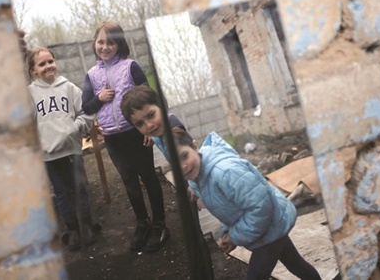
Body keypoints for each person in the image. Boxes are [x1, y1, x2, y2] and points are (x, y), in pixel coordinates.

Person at [172, 127, 322, 280]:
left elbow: (261, 207)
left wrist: (234, 236)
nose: (183, 166)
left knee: (256, 276)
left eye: (184, 156)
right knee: (295, 263)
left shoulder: (226, 172)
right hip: (268, 226)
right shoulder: (199, 178)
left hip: (270, 225)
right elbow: (228, 208)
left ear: (194, 146)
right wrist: (227, 231)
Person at [82, 21, 169, 253]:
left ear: (119, 44)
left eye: (111, 42)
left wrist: (150, 129)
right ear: (94, 44)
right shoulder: (91, 76)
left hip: (136, 134)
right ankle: (142, 222)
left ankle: (159, 223)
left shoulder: (131, 67)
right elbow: (87, 107)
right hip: (113, 138)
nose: (105, 46)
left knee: (149, 178)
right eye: (101, 41)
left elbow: (149, 97)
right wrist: (99, 97)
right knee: (129, 182)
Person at [120, 85, 215, 276]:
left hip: (200, 183)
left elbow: (191, 161)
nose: (148, 125)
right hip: (190, 183)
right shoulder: (158, 129)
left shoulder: (174, 132)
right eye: (139, 124)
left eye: (151, 115)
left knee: (197, 234)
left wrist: (193, 188)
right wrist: (150, 132)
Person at [26, 47, 99, 251]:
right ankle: (72, 229)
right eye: (42, 64)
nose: (48, 66)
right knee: (61, 192)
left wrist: (73, 128)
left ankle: (86, 225)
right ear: (33, 70)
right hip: (48, 154)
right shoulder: (30, 94)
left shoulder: (69, 88)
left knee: (80, 187)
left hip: (71, 150)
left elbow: (86, 113)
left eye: (50, 61)